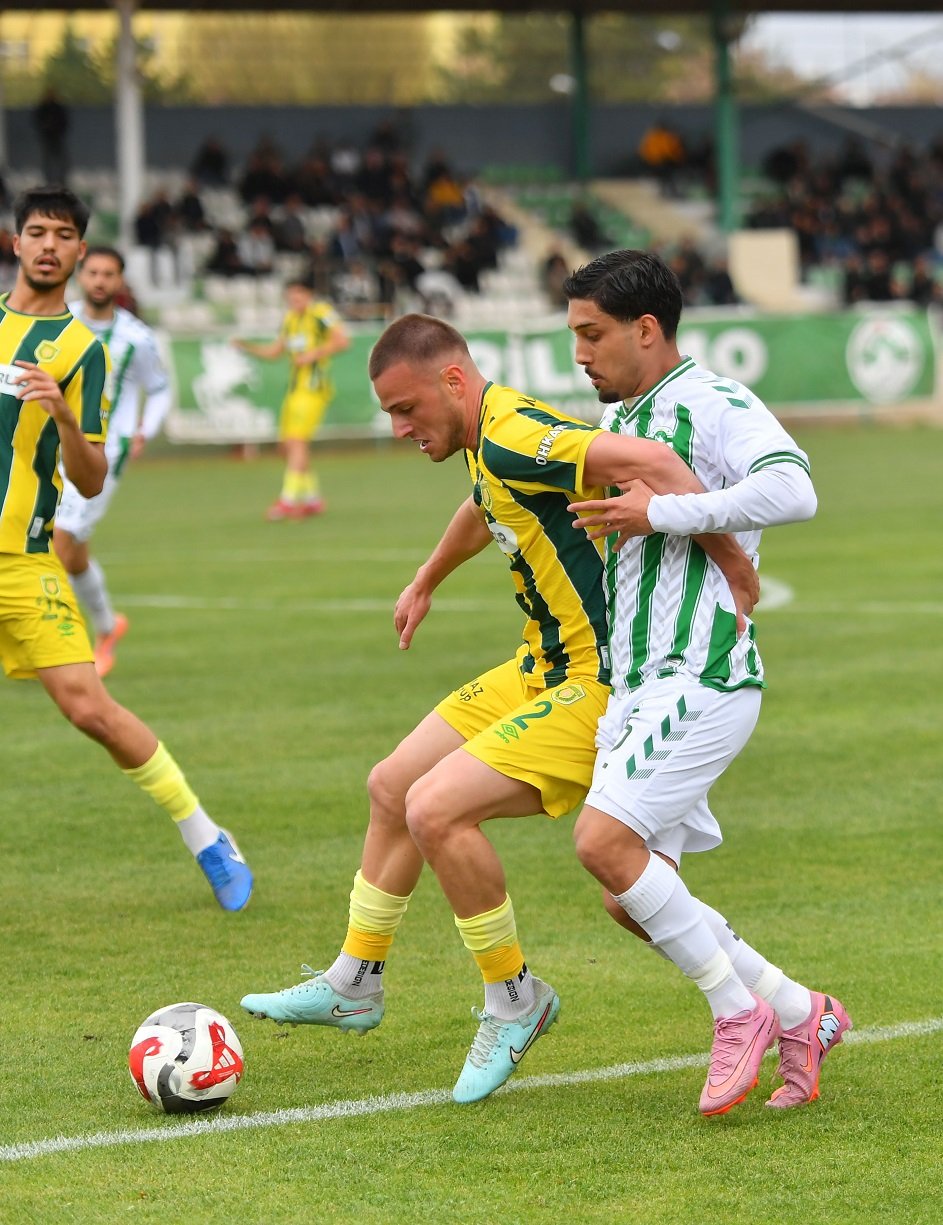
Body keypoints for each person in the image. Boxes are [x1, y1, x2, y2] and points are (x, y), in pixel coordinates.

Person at [240, 312, 757, 1103]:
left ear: (452, 380)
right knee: (391, 785)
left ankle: (515, 998)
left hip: (600, 678)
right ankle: (354, 980)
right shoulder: (490, 436)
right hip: (539, 665)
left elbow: (652, 461)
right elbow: (486, 502)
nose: (399, 428)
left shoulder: (512, 433)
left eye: (406, 408)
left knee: (435, 809)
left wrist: (731, 564)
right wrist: (425, 578)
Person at [563, 249, 851, 1115]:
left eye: (592, 334)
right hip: (637, 686)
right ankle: (800, 1011)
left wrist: (665, 511)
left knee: (601, 842)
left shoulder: (712, 400)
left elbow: (793, 489)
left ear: (646, 329)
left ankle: (737, 1012)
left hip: (703, 669)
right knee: (632, 897)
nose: (579, 353)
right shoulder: (624, 417)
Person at [0, 186, 253, 912]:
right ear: (17, 243)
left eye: (64, 236)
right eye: (37, 232)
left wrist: (63, 416)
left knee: (89, 709)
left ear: (81, 253)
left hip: (23, 559)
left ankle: (207, 837)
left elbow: (90, 474)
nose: (49, 245)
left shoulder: (85, 351)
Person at [52, 245, 172, 678]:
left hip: (103, 454)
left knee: (59, 542)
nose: (100, 281)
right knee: (71, 552)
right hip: (51, 447)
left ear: (120, 281)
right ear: (80, 276)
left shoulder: (136, 337)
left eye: (109, 274)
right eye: (93, 273)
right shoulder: (59, 322)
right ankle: (107, 627)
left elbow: (159, 388)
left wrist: (144, 429)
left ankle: (61, 646)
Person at [234, 277, 350, 520]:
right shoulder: (290, 319)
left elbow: (342, 340)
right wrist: (247, 348)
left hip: (314, 389)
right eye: (290, 296)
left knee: (296, 442)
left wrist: (313, 355)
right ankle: (312, 500)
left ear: (309, 294)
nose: (293, 300)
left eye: (298, 294)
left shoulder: (321, 313)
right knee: (289, 446)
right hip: (295, 390)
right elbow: (275, 351)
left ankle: (287, 500)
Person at [32, 88, 70, 186]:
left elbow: (64, 121)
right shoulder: (43, 108)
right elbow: (37, 121)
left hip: (57, 137)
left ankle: (61, 179)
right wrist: (45, 128)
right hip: (47, 137)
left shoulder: (57, 108)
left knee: (60, 160)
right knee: (47, 160)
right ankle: (48, 180)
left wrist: (57, 130)